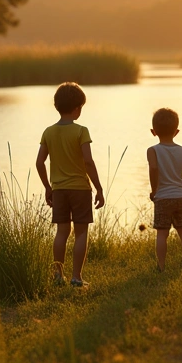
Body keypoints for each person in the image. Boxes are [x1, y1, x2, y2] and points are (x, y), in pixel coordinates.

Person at [36, 82, 105, 288]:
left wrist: (48, 187)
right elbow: (88, 161)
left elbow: (40, 163)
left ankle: (58, 276)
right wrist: (99, 188)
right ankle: (76, 277)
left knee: (61, 232)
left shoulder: (48, 132)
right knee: (81, 232)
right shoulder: (81, 131)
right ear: (77, 108)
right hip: (80, 189)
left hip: (58, 190)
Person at [147, 107, 182, 271]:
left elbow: (154, 169)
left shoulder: (153, 151)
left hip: (163, 197)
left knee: (162, 233)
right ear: (177, 131)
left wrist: (155, 191)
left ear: (153, 131)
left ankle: (161, 266)